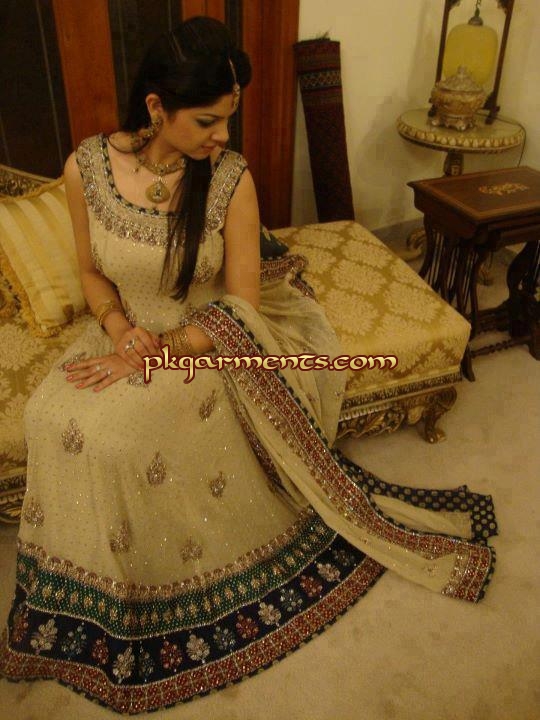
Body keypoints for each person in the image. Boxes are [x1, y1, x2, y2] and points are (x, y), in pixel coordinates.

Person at [0, 16, 497, 714]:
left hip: (211, 342)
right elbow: (89, 272)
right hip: (123, 333)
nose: (222, 136)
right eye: (207, 121)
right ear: (156, 107)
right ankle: (86, 602)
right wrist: (120, 333)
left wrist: (160, 354)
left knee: (113, 437)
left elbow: (241, 303)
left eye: (228, 119)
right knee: (50, 415)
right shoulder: (86, 168)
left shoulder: (229, 180)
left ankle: (153, 597)